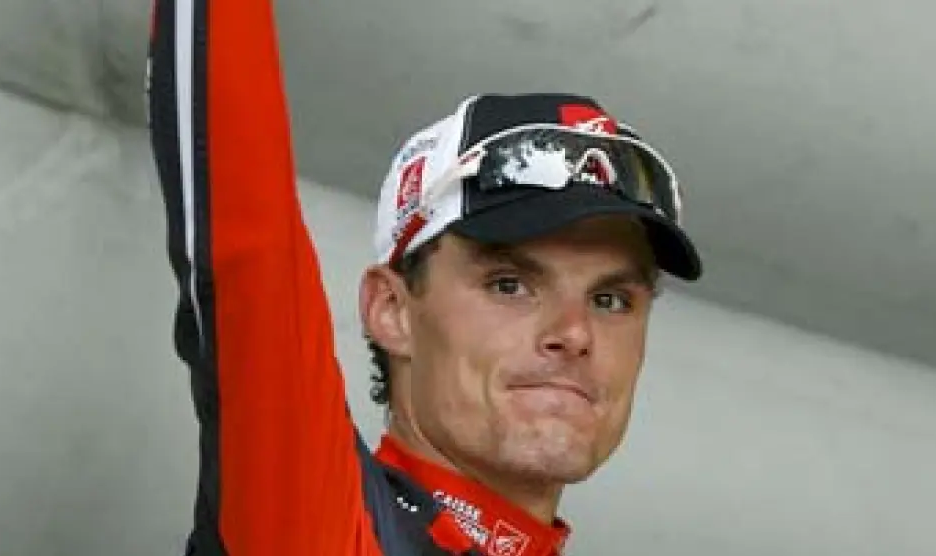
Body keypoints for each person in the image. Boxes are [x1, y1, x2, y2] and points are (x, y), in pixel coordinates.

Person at [147, 0, 702, 554]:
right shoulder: (326, 527)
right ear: (392, 311)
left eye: (610, 300)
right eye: (509, 285)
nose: (575, 333)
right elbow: (241, 222)